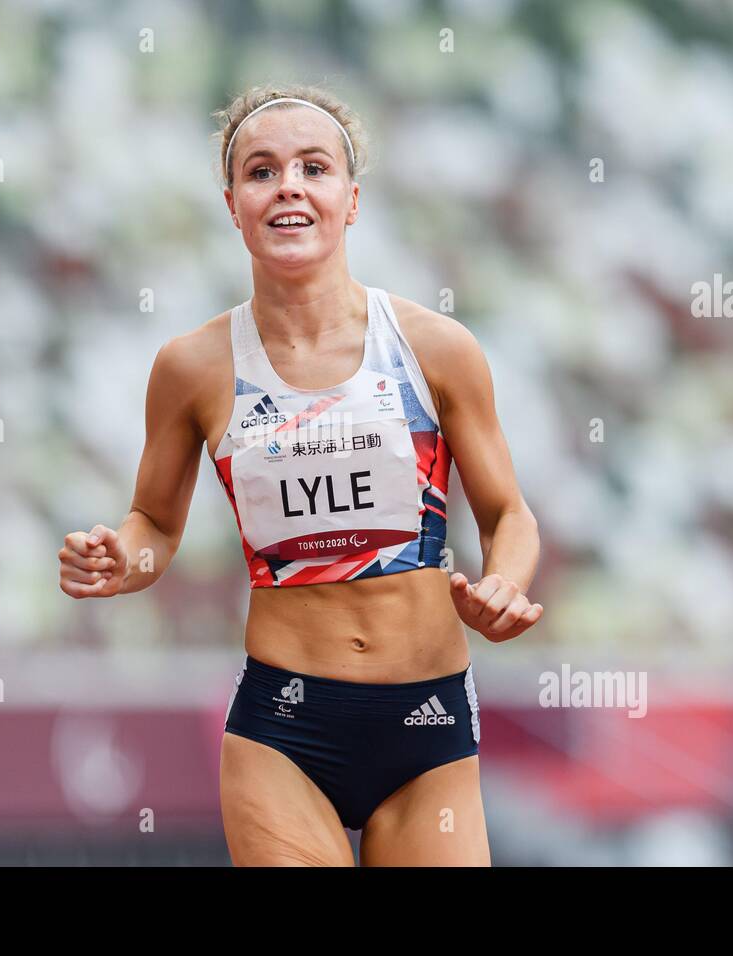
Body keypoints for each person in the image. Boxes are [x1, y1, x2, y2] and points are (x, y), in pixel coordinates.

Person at [59, 84, 542, 866]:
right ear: (233, 205)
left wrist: (506, 584)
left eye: (313, 168)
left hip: (427, 721)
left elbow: (508, 516)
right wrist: (121, 562)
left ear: (350, 201)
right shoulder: (192, 368)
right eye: (262, 171)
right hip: (284, 729)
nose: (288, 185)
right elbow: (154, 525)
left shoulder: (436, 347)